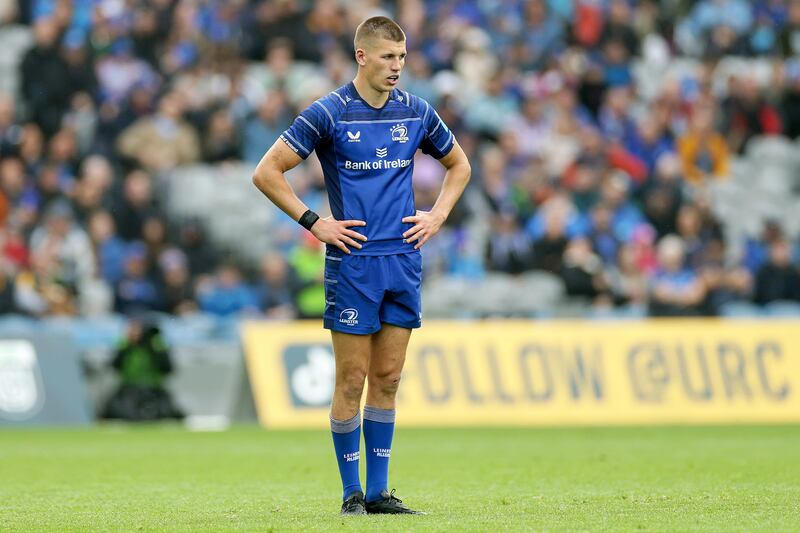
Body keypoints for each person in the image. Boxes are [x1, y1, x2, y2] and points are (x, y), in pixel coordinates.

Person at [252, 16, 471, 516]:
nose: (397, 66)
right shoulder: (328, 112)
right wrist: (314, 222)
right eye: (388, 57)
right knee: (352, 380)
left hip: (403, 259)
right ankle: (351, 493)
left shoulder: (416, 111)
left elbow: (460, 165)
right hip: (353, 264)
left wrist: (437, 215)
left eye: (402, 57)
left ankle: (379, 492)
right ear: (361, 56)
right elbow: (267, 172)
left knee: (388, 378)